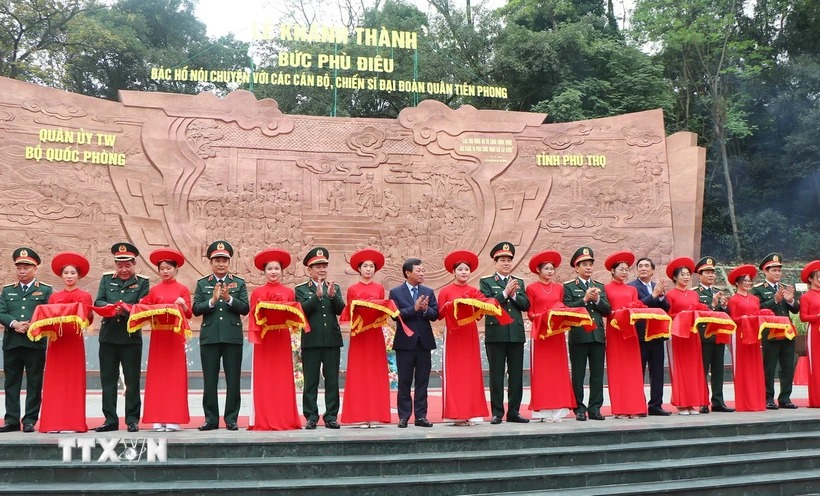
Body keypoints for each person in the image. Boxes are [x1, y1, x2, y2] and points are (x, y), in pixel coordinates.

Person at [193, 241, 250, 431]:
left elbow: (245, 308)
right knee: (210, 380)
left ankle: (231, 419)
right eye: (217, 260)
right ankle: (211, 419)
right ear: (211, 262)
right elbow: (196, 309)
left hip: (232, 337)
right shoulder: (203, 283)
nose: (220, 264)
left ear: (229, 262)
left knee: (233, 380)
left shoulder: (239, 283)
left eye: (224, 260)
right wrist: (212, 300)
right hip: (209, 337)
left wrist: (228, 299)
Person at [93, 242, 149, 433]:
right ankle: (110, 419)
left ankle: (132, 419)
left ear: (134, 264)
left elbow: (143, 306)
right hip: (108, 337)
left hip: (131, 338)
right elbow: (98, 301)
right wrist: (110, 308)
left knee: (132, 381)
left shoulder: (142, 282)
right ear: (115, 264)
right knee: (108, 381)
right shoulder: (107, 280)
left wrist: (124, 309)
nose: (124, 269)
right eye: (120, 265)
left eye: (128, 265)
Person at [36, 252, 93, 433]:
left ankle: (73, 423)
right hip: (57, 342)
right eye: (66, 273)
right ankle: (53, 423)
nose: (69, 276)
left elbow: (88, 320)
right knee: (55, 382)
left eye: (72, 273)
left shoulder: (85, 296)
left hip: (74, 342)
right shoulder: (54, 297)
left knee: (73, 381)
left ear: (79, 276)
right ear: (61, 276)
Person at [247, 248, 302, 431]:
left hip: (281, 338)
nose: (273, 272)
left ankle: (284, 417)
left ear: (281, 271)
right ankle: (264, 417)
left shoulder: (288, 292)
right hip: (264, 340)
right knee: (265, 380)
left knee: (282, 379)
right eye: (270, 269)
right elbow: (254, 318)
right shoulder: (257, 293)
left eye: (276, 268)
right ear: (264, 272)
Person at [138, 249, 192, 432]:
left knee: (174, 378)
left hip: (175, 337)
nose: (165, 271)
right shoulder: (154, 290)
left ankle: (173, 418)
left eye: (169, 268)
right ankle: (157, 418)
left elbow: (189, 313)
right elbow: (145, 307)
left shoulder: (182, 289)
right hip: (158, 338)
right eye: (162, 269)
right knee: (157, 377)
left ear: (176, 269)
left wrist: (183, 304)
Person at [0, 248, 53, 433]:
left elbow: (49, 313)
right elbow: (1, 312)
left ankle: (30, 419)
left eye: (26, 268)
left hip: (34, 343)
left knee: (34, 382)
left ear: (35, 269)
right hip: (12, 342)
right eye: (19, 268)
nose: (22, 271)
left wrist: (32, 325)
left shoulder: (45, 290)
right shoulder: (7, 291)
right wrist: (14, 324)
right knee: (11, 383)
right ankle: (12, 420)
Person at [340, 249, 392, 427]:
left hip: (375, 334)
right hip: (359, 334)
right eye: (365, 266)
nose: (368, 269)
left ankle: (376, 415)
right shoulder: (353, 289)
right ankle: (360, 416)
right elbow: (350, 311)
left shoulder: (379, 289)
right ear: (359, 269)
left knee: (375, 372)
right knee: (359, 373)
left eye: (371, 266)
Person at [480, 242, 531, 424]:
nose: (506, 263)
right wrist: (504, 293)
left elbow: (526, 305)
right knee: (496, 374)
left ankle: (514, 412)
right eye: (502, 260)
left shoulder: (519, 282)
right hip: (496, 333)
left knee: (516, 375)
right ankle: (497, 412)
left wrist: (515, 295)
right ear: (495, 262)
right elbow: (486, 304)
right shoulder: (486, 282)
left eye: (509, 260)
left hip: (515, 333)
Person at [295, 247, 345, 429]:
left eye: (324, 266)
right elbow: (301, 312)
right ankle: (311, 416)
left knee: (332, 380)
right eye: (317, 266)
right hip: (311, 341)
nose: (322, 269)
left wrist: (332, 297)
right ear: (309, 270)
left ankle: (331, 416)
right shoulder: (301, 289)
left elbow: (341, 310)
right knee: (311, 381)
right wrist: (316, 297)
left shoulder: (334, 287)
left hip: (331, 340)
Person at [437, 250, 489, 426]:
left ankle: (471, 412)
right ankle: (457, 414)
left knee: (471, 372)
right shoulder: (446, 291)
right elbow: (439, 314)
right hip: (453, 335)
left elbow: (483, 308)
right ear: (453, 272)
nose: (464, 272)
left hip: (470, 334)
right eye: (460, 269)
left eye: (466, 269)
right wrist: (450, 305)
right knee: (456, 374)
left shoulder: (474, 291)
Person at [525, 250, 575, 422]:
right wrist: (542, 317)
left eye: (552, 268)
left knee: (558, 370)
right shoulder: (531, 288)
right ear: (538, 270)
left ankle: (559, 409)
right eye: (546, 268)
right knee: (542, 372)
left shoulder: (559, 288)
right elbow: (530, 312)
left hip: (556, 334)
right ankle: (544, 411)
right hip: (541, 333)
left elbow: (562, 308)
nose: (550, 271)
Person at [389, 258, 438, 428]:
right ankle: (403, 416)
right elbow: (394, 314)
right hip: (405, 343)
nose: (422, 273)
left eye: (423, 270)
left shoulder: (428, 291)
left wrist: (425, 309)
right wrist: (414, 309)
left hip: (424, 342)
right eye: (418, 270)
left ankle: (421, 416)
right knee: (404, 381)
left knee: (422, 381)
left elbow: (435, 314)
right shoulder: (396, 292)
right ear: (407, 273)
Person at [564, 247, 611, 421]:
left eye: (590, 264)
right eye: (584, 264)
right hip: (579, 335)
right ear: (576, 268)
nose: (588, 267)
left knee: (598, 374)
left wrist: (597, 299)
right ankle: (579, 408)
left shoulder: (599, 286)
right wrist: (584, 300)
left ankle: (595, 407)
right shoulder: (569, 287)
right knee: (578, 374)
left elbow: (607, 310)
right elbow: (567, 309)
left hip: (597, 335)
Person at [752, 253, 800, 410]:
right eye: (774, 270)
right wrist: (775, 301)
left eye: (779, 270)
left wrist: (790, 300)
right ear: (765, 271)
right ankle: (768, 397)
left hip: (786, 332)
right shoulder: (758, 290)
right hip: (770, 333)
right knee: (769, 367)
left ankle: (785, 397)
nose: (777, 273)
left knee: (788, 367)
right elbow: (757, 309)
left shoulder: (784, 288)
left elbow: (795, 309)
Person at [603, 251, 647, 419]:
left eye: (627, 269)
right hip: (615, 332)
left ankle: (634, 407)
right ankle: (620, 408)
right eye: (621, 269)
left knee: (632, 370)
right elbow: (606, 311)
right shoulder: (605, 288)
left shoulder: (632, 289)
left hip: (631, 333)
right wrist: (617, 314)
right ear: (612, 271)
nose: (624, 272)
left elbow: (636, 308)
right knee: (617, 370)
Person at [664, 257, 708, 415]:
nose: (686, 277)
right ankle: (681, 403)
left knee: (693, 368)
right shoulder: (670, 295)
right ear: (675, 277)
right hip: (678, 336)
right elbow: (668, 315)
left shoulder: (694, 295)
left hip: (693, 335)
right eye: (682, 274)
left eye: (688, 274)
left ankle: (692, 403)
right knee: (680, 369)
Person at [628, 257, 671, 416]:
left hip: (657, 334)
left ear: (652, 270)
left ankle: (655, 405)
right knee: (638, 371)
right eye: (640, 266)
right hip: (640, 334)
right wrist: (654, 295)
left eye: (647, 266)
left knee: (658, 371)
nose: (643, 268)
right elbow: (638, 306)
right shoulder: (631, 287)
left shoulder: (656, 286)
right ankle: (637, 405)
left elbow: (666, 307)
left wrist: (660, 296)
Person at [694, 256, 734, 413]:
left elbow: (726, 315)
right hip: (703, 336)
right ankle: (702, 401)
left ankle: (718, 401)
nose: (711, 275)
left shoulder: (719, 292)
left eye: (712, 272)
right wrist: (712, 305)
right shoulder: (696, 293)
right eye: (707, 272)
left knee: (718, 370)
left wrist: (724, 307)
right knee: (702, 370)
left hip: (718, 336)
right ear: (699, 275)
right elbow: (698, 314)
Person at [726, 264, 766, 412]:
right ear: (737, 283)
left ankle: (756, 402)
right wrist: (745, 319)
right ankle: (744, 403)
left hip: (755, 336)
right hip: (740, 336)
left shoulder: (755, 299)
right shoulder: (734, 300)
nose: (748, 283)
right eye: (745, 281)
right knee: (743, 369)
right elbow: (733, 319)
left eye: (750, 281)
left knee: (755, 368)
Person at [798, 260, 820, 407]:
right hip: (815, 332)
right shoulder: (806, 297)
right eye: (818, 276)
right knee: (816, 364)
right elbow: (803, 317)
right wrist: (817, 317)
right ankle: (817, 398)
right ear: (811, 279)